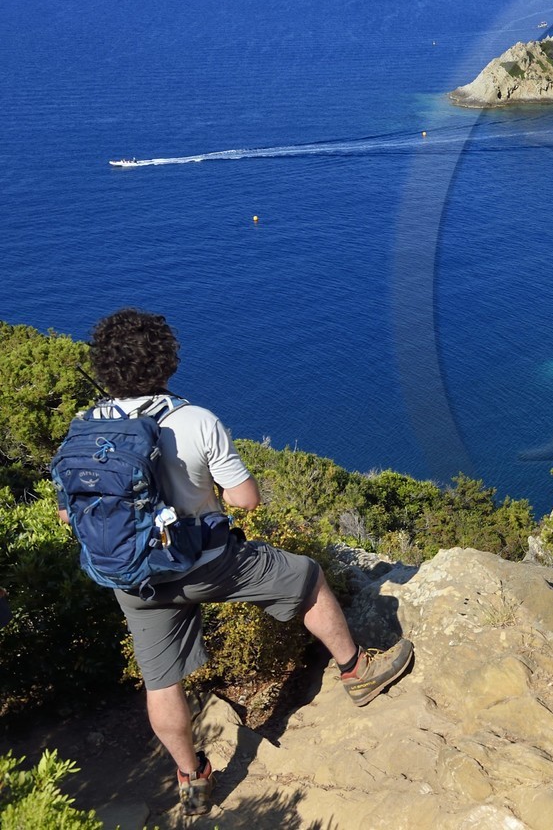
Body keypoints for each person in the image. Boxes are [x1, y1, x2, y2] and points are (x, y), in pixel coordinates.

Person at [66, 308, 414, 818]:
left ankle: (192, 780)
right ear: (167, 361)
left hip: (134, 577)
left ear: (103, 367)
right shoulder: (193, 420)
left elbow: (68, 508)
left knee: (161, 682)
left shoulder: (84, 429)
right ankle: (359, 671)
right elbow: (245, 499)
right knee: (309, 578)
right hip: (209, 564)